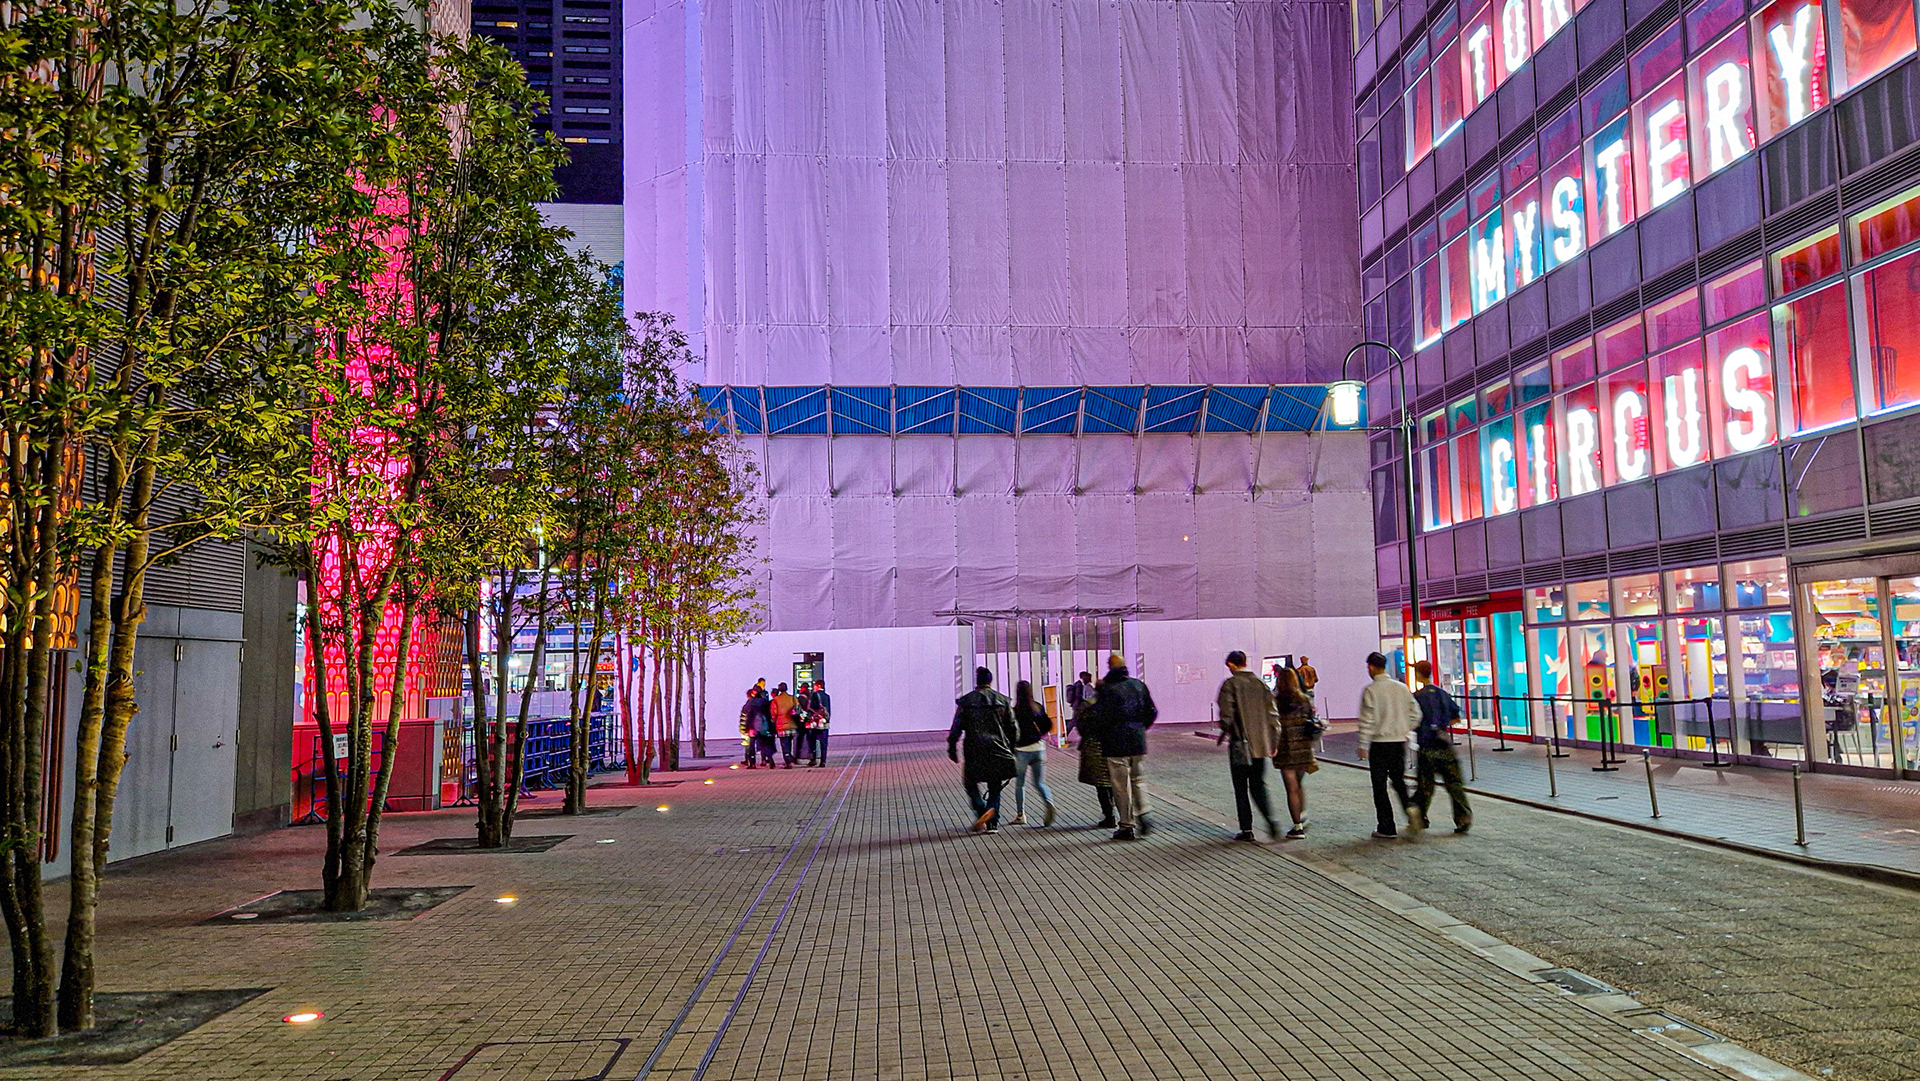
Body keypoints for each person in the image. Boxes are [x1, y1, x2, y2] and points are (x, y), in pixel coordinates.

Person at [1089, 653, 1158, 841]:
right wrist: (1140, 728)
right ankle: (1144, 811)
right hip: (1137, 742)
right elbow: (1152, 711)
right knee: (1138, 779)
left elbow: (1100, 717)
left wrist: (1103, 735)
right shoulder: (1138, 685)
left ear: (1110, 667)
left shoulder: (1107, 689)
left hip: (1116, 743)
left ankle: (1127, 825)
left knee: (1121, 786)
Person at [1215, 651, 1281, 841]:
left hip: (1240, 744)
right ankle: (1271, 820)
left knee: (1241, 787)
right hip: (1260, 745)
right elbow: (1273, 716)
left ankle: (1246, 829)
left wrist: (1226, 728)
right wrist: (1273, 741)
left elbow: (1226, 715)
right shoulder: (1261, 684)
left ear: (1231, 664)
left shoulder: (1230, 684)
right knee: (1258, 784)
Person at [1356, 651, 1422, 839]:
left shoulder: (1370, 690)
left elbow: (1367, 720)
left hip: (1379, 743)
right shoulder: (1401, 688)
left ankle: (1387, 826)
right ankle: (1410, 807)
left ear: (1371, 667)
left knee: (1380, 786)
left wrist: (1363, 744)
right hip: (1399, 742)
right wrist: (1405, 729)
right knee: (1399, 780)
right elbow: (1416, 714)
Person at [948, 667, 1019, 833]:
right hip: (998, 748)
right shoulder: (1002, 701)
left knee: (970, 782)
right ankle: (992, 823)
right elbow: (1012, 728)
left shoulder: (966, 702)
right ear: (990, 681)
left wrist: (952, 748)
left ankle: (981, 810)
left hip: (974, 749)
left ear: (977, 681)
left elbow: (956, 727)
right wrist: (1012, 749)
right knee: (994, 785)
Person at [1411, 661, 1472, 834]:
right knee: (1454, 784)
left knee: (1425, 785)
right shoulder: (1442, 694)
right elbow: (1456, 717)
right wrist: (1442, 725)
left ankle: (1420, 817)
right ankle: (1463, 818)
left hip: (1426, 746)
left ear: (1418, 674)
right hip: (1444, 745)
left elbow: (1413, 721)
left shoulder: (1416, 697)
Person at [1272, 666, 1318, 838]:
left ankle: (1297, 826)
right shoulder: (1305, 700)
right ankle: (1302, 815)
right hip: (1303, 749)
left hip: (1285, 749)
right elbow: (1311, 721)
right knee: (1298, 785)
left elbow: (1272, 726)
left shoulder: (1275, 702)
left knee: (1291, 788)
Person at [1072, 675, 1117, 828]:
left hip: (1093, 747)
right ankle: (1114, 812)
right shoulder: (1113, 705)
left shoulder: (1087, 705)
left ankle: (1109, 814)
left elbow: (1080, 726)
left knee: (1101, 784)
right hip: (1113, 746)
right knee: (1112, 781)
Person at [1009, 680, 1057, 826]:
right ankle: (1049, 802)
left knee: (1020, 784)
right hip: (1039, 748)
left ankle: (1021, 815)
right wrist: (1039, 734)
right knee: (1039, 783)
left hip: (1022, 750)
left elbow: (1011, 732)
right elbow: (1048, 725)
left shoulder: (1015, 711)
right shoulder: (1037, 707)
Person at [741, 686, 775, 768]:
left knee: (751, 746)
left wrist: (747, 728)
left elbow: (749, 715)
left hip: (753, 726)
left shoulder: (751, 702)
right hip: (764, 726)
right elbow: (769, 714)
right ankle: (769, 759)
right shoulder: (765, 702)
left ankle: (752, 763)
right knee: (764, 744)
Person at [771, 682, 799, 768]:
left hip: (781, 725)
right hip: (792, 725)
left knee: (784, 744)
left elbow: (774, 713)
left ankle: (788, 762)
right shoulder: (792, 698)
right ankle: (790, 757)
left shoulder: (776, 700)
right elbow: (798, 709)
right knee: (789, 743)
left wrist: (773, 721)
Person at [805, 679, 831, 766]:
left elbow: (811, 708)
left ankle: (813, 758)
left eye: (815, 685)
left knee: (813, 741)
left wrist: (809, 719)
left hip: (816, 723)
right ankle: (823, 761)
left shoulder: (814, 695)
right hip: (824, 723)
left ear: (818, 686)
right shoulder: (827, 696)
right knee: (823, 743)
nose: (814, 687)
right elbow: (828, 710)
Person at [1065, 670, 1095, 737]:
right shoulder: (1079, 685)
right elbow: (1079, 696)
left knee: (1077, 721)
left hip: (1076, 705)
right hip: (1078, 706)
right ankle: (1065, 734)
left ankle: (1066, 734)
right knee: (1074, 721)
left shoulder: (1078, 684)